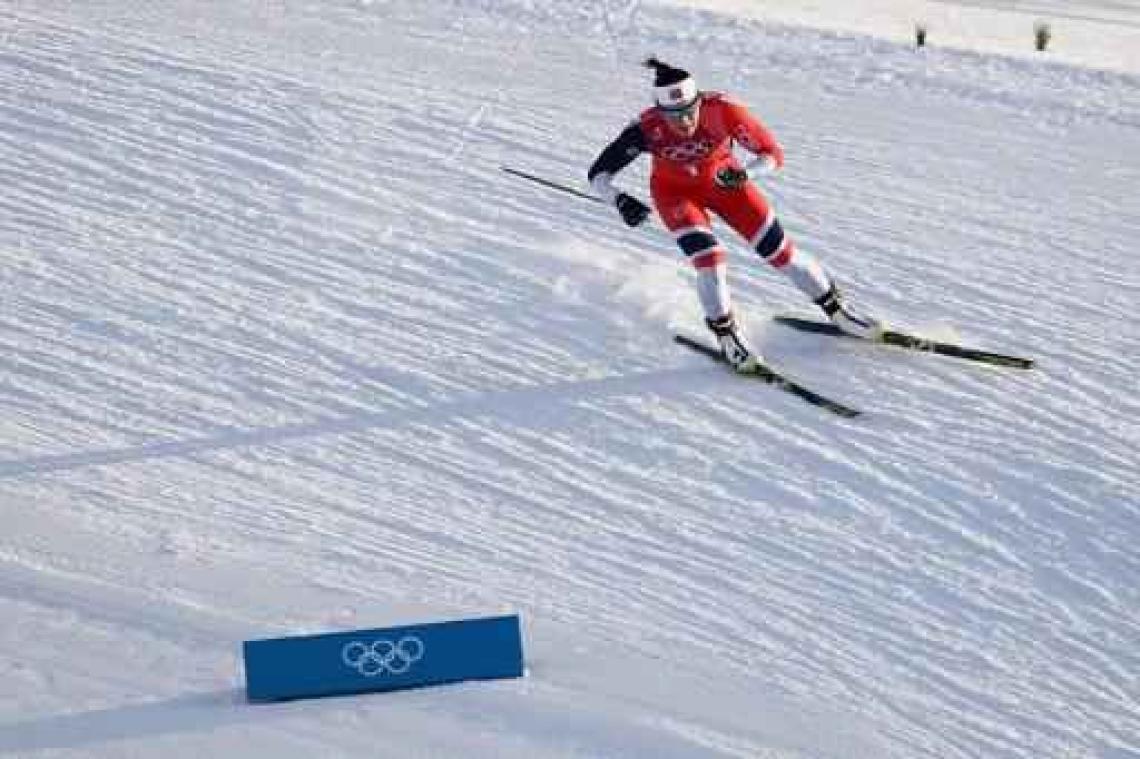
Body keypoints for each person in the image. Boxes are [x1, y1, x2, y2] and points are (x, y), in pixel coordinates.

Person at [588, 58, 881, 371]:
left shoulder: (724, 111)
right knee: (710, 260)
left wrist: (746, 174)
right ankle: (728, 337)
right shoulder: (646, 128)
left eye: (689, 111)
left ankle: (838, 311)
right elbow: (598, 174)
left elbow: (772, 154)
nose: (684, 121)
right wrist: (619, 200)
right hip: (675, 195)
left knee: (781, 253)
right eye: (673, 115)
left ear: (700, 101)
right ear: (660, 111)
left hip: (727, 184)